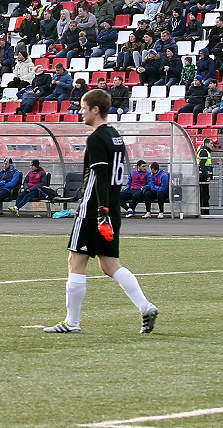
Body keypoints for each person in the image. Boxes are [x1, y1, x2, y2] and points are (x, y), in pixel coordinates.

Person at [44, 88, 157, 335]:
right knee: (109, 264)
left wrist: (101, 210)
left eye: (83, 108)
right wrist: (109, 208)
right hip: (112, 207)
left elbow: (101, 176)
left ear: (95, 110)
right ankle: (145, 306)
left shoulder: (96, 138)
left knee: (76, 260)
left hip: (94, 208)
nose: (81, 113)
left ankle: (72, 323)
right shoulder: (115, 136)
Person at [197, 139, 213, 215]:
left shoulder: (204, 151)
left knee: (204, 195)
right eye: (211, 143)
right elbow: (202, 164)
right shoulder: (204, 152)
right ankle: (205, 213)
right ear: (206, 143)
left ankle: (203, 212)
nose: (212, 145)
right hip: (203, 177)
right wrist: (207, 176)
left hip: (202, 176)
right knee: (205, 195)